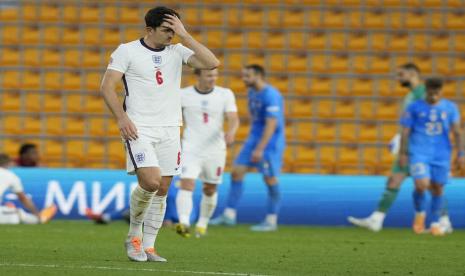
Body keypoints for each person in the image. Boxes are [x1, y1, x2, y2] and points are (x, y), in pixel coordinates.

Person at [100, 6, 219, 262]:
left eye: (174, 30)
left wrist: (185, 35)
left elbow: (212, 63)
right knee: (151, 182)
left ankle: (150, 246)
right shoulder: (127, 51)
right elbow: (107, 86)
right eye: (167, 30)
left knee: (163, 188)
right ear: (149, 30)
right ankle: (134, 237)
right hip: (138, 127)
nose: (171, 35)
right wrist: (122, 119)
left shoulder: (177, 50)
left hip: (170, 128)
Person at [347, 63, 452, 232]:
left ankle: (443, 220)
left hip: (420, 150)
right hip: (409, 148)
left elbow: (427, 123)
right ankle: (377, 219)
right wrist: (399, 139)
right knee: (394, 180)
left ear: (412, 74)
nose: (398, 79)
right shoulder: (411, 95)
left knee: (434, 186)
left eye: (400, 75)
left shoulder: (422, 94)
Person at [210, 64, 285, 232]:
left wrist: (260, 149)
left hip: (270, 142)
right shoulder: (252, 92)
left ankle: (271, 220)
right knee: (237, 171)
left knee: (269, 179)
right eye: (243, 75)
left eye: (248, 76)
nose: (244, 79)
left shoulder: (271, 95)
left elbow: (271, 125)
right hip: (254, 138)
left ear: (259, 76)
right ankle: (229, 215)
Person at [175, 68, 239, 238]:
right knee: (186, 183)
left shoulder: (225, 94)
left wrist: (231, 131)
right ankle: (184, 223)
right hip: (191, 147)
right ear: (198, 76)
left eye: (215, 75)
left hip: (215, 150)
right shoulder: (183, 94)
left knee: (210, 189)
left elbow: (233, 117)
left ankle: (202, 224)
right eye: (209, 75)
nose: (213, 78)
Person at [399, 77, 464, 236]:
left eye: (437, 90)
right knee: (421, 184)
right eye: (431, 90)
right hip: (419, 152)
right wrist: (403, 153)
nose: (434, 94)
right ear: (426, 90)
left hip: (442, 154)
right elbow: (406, 131)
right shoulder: (414, 107)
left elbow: (457, 131)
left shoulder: (450, 108)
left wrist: (461, 154)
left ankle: (435, 223)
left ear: (441, 90)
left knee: (438, 188)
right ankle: (420, 215)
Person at [0, 153, 56, 224]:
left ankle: (8, 210)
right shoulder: (10, 175)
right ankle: (40, 219)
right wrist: (36, 213)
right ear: (8, 164)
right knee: (16, 215)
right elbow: (23, 198)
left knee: (11, 211)